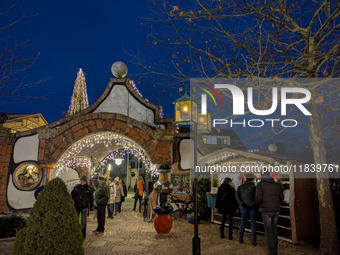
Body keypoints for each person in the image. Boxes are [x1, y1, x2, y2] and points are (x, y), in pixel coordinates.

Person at [256, 171, 284, 255]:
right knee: (274, 228)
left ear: (262, 175)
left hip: (266, 210)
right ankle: (275, 246)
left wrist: (259, 207)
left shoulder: (260, 185)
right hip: (276, 209)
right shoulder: (277, 185)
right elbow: (282, 198)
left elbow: (258, 198)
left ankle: (272, 251)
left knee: (268, 230)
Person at [236, 173, 257, 246]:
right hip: (252, 208)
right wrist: (252, 204)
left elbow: (237, 197)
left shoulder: (240, 187)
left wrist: (242, 204)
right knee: (253, 223)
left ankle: (241, 238)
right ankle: (254, 241)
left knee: (243, 222)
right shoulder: (255, 187)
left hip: (243, 207)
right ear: (253, 179)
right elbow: (256, 198)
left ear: (246, 178)